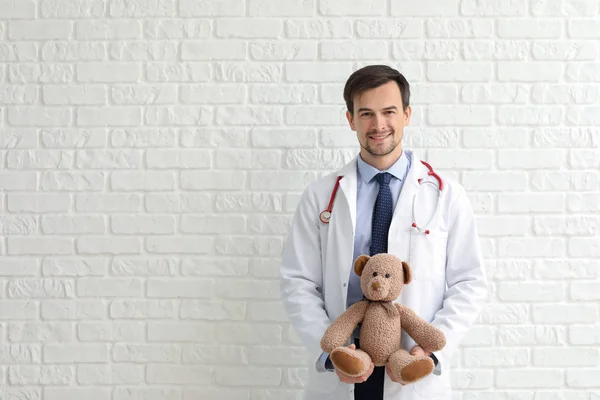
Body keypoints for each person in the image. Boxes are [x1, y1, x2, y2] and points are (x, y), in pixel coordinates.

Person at [279, 64, 488, 400]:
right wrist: (332, 352)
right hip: (343, 371)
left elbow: (470, 282)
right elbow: (297, 281)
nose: (378, 125)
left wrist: (431, 351)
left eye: (389, 112)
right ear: (350, 119)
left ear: (406, 114)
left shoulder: (446, 194)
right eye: (366, 114)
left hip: (412, 368)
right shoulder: (321, 196)